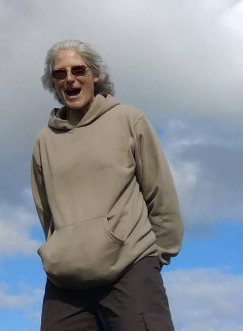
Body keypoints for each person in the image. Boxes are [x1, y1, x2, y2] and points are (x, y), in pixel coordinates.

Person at [31, 39, 184, 330]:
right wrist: (64, 248)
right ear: (53, 83)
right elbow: (46, 212)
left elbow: (160, 193)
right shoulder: (44, 141)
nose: (70, 79)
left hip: (131, 268)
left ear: (95, 75)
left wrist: (154, 258)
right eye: (60, 73)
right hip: (66, 280)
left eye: (78, 70)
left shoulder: (128, 120)